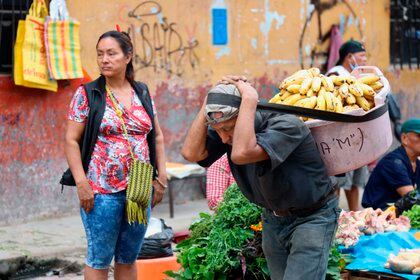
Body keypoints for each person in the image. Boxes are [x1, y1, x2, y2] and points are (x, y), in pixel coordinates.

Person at [181, 79, 339, 279]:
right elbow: (190, 152)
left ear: (247, 113)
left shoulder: (286, 124)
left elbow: (242, 153)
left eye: (227, 129)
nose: (223, 138)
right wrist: (208, 102)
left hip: (312, 217)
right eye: (218, 130)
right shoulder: (229, 130)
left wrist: (249, 98)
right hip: (273, 218)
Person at [64, 30, 167, 280]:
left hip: (139, 190)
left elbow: (157, 136)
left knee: (128, 257)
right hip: (101, 192)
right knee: (99, 259)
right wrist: (81, 183)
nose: (104, 60)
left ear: (128, 56)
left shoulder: (141, 92)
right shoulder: (88, 94)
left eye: (111, 53)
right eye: (100, 54)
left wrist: (161, 178)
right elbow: (71, 140)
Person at [327, 39, 369, 211]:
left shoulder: (356, 76)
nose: (365, 60)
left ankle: (355, 217)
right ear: (349, 57)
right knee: (338, 181)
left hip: (357, 135)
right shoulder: (335, 76)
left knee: (355, 182)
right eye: (362, 56)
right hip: (340, 137)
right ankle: (333, 217)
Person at [362, 118, 420, 210]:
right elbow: (412, 199)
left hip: (400, 210)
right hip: (379, 213)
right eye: (419, 136)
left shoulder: (416, 162)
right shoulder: (394, 162)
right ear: (404, 138)